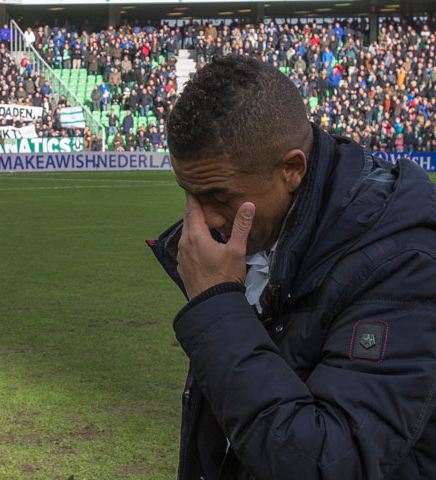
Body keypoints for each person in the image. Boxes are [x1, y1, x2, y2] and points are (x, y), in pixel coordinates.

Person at [149, 54, 436, 479]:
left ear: (292, 170)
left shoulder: (404, 262)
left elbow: (332, 462)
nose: (201, 221)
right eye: (187, 193)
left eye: (217, 195)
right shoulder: (260, 237)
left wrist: (217, 307)